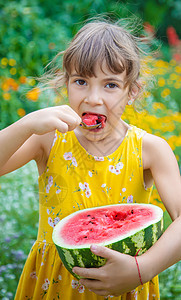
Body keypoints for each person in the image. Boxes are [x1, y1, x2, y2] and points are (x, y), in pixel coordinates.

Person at [0, 19, 181, 300]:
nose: (93, 98)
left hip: (125, 282)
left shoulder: (150, 150)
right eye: (81, 82)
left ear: (131, 92)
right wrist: (26, 125)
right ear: (66, 83)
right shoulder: (47, 139)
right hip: (53, 284)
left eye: (110, 85)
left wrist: (141, 268)